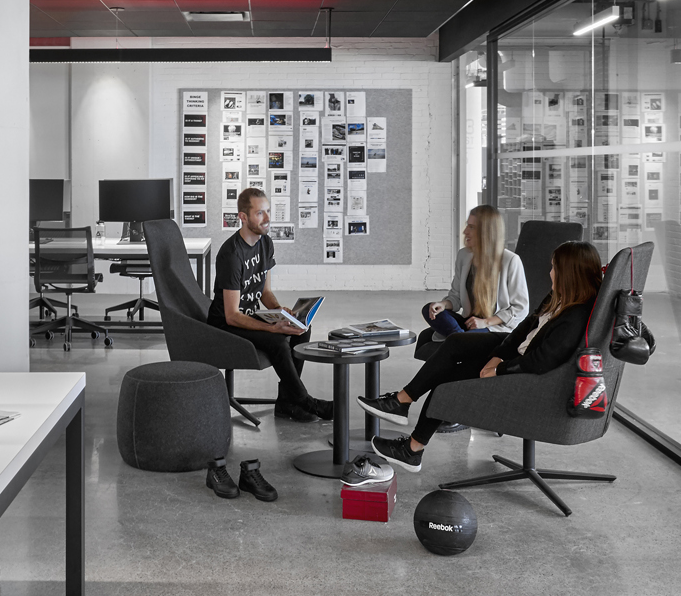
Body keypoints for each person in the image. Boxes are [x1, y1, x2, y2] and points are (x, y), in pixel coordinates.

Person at [358, 241, 602, 472]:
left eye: (554, 268)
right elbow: (523, 329)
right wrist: (497, 356)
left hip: (526, 377)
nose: (550, 273)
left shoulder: (574, 318)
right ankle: (402, 402)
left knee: (447, 381)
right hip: (515, 355)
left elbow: (541, 361)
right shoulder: (557, 298)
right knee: (455, 343)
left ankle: (412, 447)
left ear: (569, 275)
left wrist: (500, 369)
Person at [207, 187, 333, 423]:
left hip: (249, 316)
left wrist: (279, 310)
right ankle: (305, 401)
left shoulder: (265, 243)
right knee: (277, 341)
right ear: (243, 217)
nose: (267, 218)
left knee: (300, 329)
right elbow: (232, 316)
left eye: (268, 211)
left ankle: (286, 403)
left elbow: (265, 291)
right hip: (224, 325)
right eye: (260, 213)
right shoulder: (231, 255)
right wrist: (272, 328)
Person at [416, 204, 529, 360]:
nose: (465, 232)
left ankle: (459, 341)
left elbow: (520, 308)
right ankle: (460, 339)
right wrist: (443, 305)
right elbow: (455, 296)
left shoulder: (511, 261)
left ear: (486, 231)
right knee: (427, 310)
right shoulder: (464, 256)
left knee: (468, 336)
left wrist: (485, 322)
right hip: (467, 323)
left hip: (493, 327)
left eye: (471, 227)